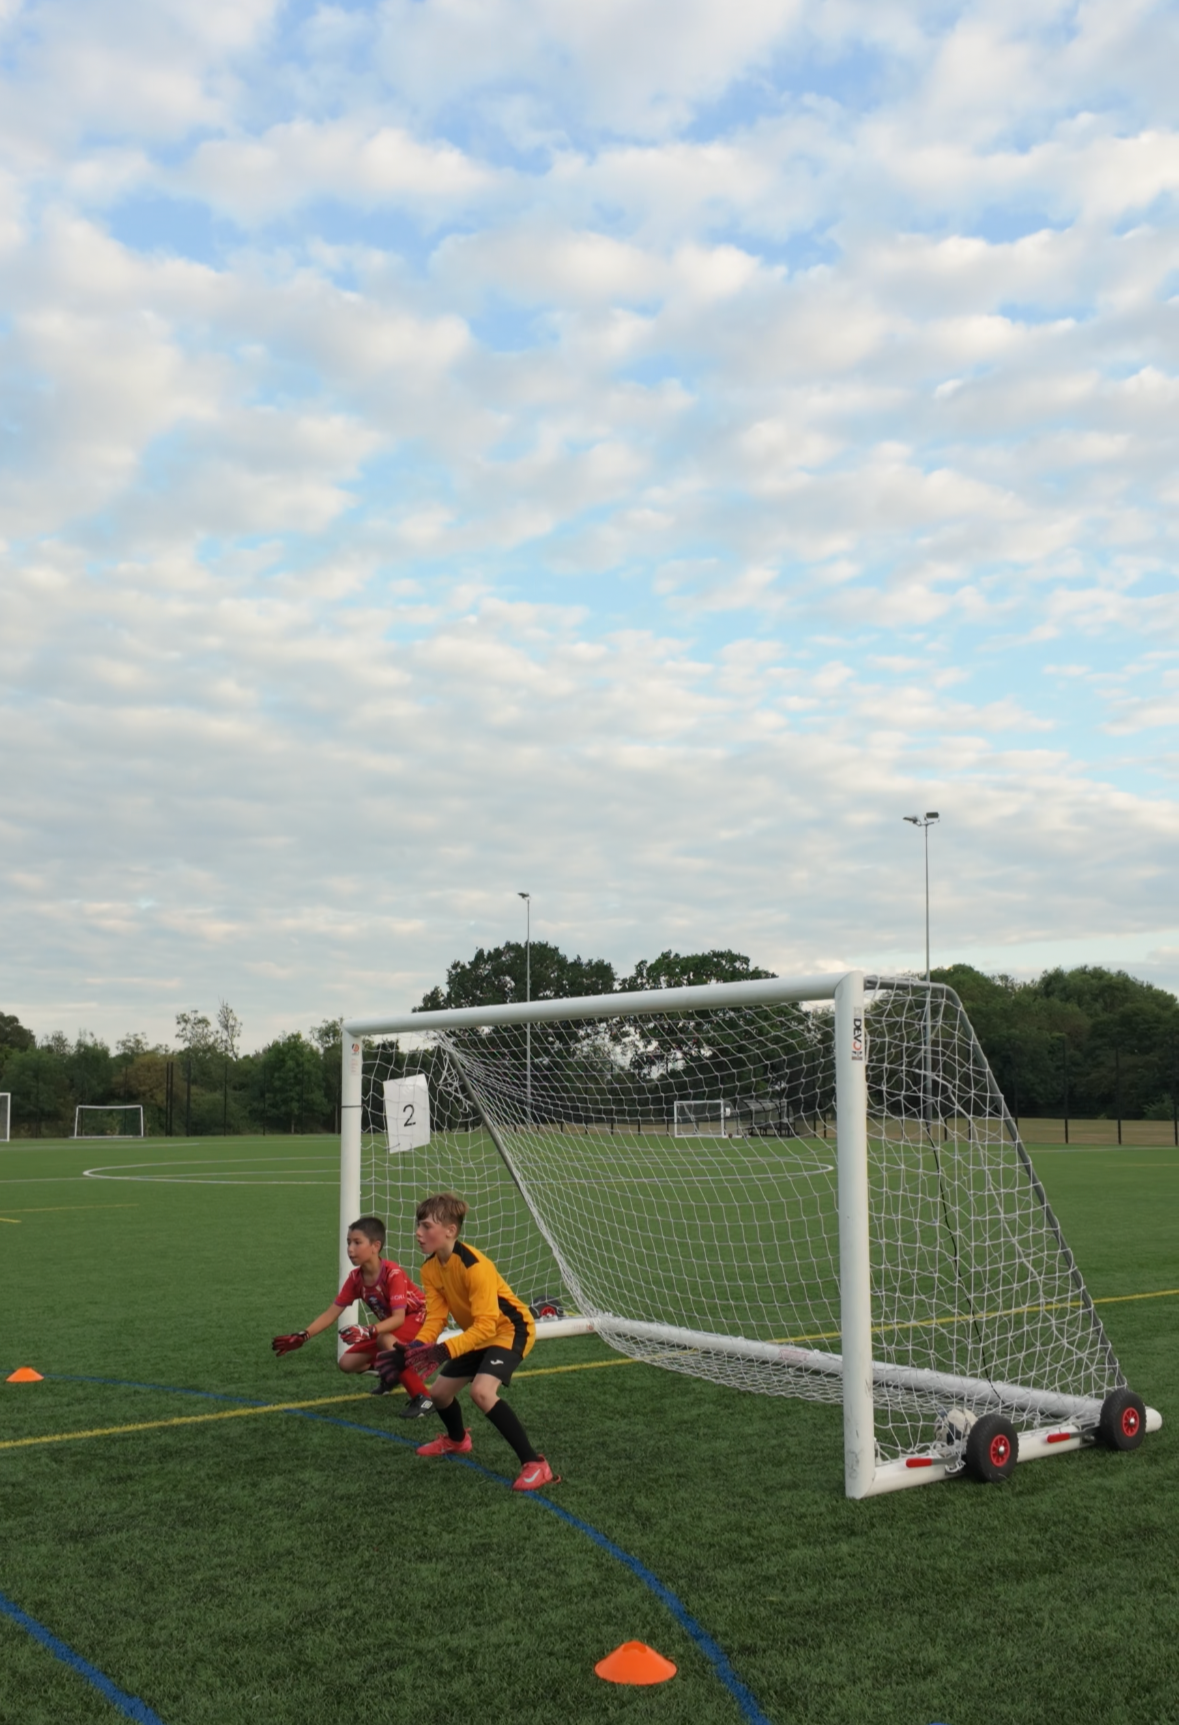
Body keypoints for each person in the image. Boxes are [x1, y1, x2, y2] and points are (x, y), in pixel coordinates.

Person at [400, 1192, 556, 1491]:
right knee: (440, 1394)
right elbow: (436, 1317)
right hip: (479, 1333)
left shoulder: (475, 1266)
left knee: (482, 1392)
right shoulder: (430, 1268)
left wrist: (444, 1350)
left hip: (511, 1329)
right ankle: (458, 1441)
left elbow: (487, 1325)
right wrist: (417, 1348)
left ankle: (536, 1463)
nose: (419, 1234)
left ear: (450, 1231)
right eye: (417, 1226)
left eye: (426, 1226)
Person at [270, 1215, 434, 1418]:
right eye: (349, 1242)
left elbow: (399, 1318)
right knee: (347, 1363)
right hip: (390, 1329)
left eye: (357, 1243)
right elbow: (332, 1313)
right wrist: (304, 1335)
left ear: (375, 1246)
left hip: (421, 1320)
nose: (350, 1249)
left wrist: (368, 1331)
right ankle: (390, 1374)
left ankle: (423, 1398)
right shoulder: (356, 1279)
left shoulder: (393, 1273)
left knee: (384, 1339)